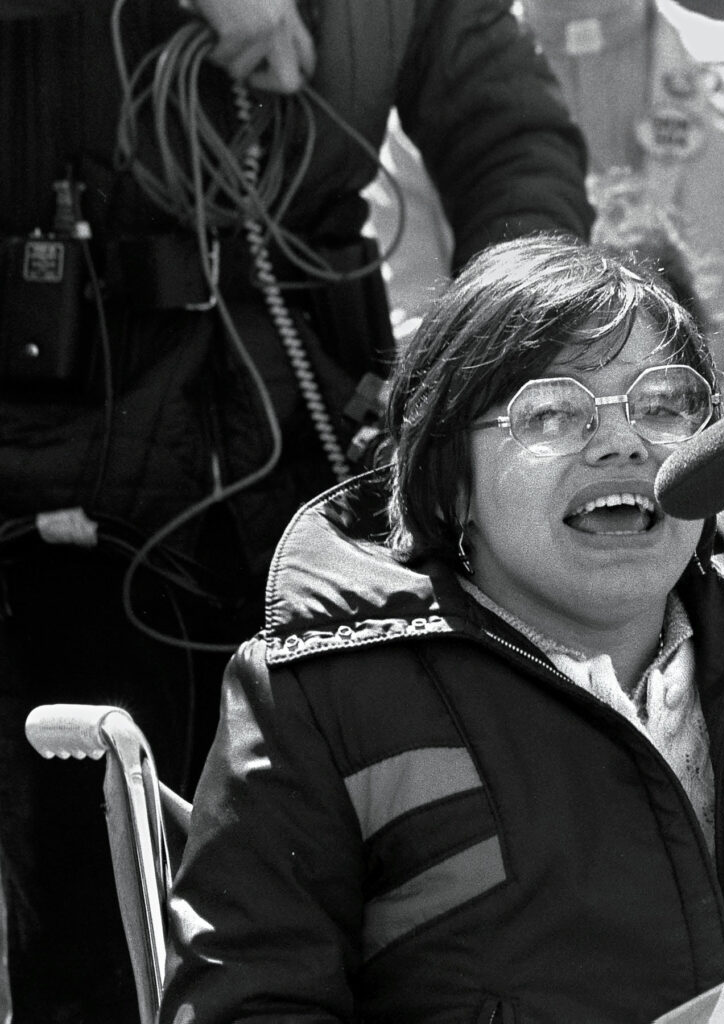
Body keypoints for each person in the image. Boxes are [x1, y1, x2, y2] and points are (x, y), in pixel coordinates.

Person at [160, 236, 724, 1023]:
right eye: (552, 413)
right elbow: (250, 1001)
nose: (623, 445)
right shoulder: (319, 695)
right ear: (449, 480)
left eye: (665, 404)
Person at [0, 2, 591, 1020]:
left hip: (318, 481)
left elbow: (512, 137)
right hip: (60, 503)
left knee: (338, 917)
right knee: (90, 937)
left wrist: (490, 363)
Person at [364, 0, 724, 788]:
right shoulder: (434, 85)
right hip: (517, 494)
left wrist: (697, 451)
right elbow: (422, 337)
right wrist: (552, 434)